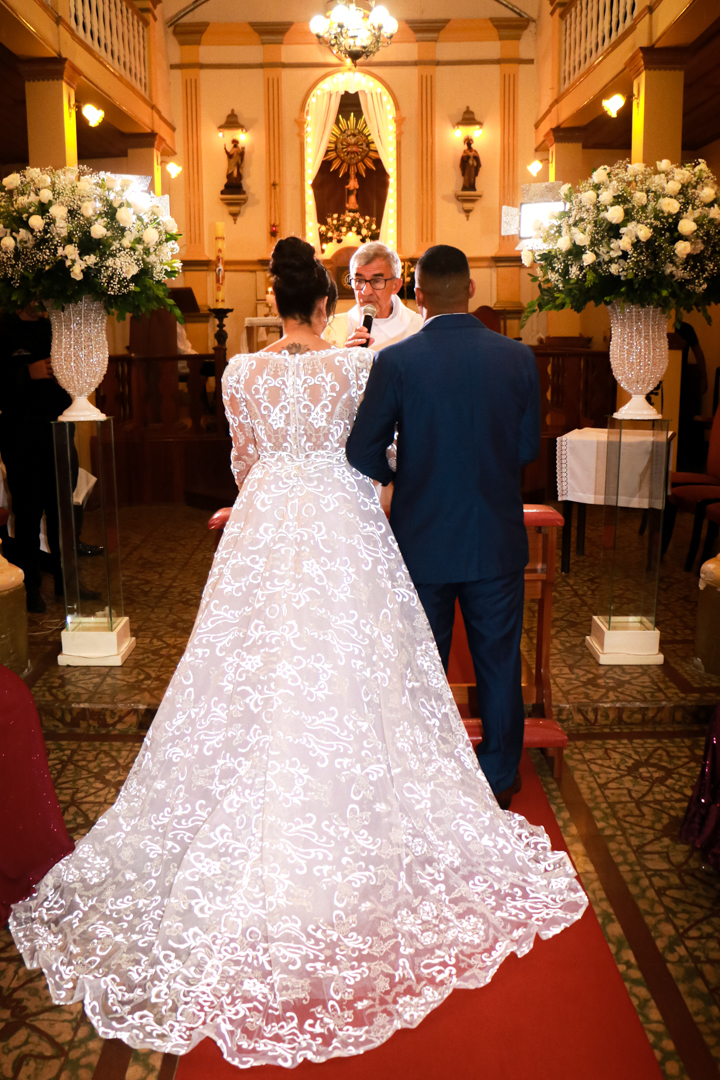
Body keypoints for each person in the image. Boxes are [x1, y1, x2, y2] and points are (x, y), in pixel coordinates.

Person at [10, 237, 585, 1070]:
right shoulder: (356, 368)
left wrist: (283, 486)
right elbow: (370, 460)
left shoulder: (240, 375)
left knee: (246, 673)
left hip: (265, 532)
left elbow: (244, 465)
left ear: (277, 303)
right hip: (341, 531)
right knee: (359, 675)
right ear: (329, 302)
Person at [346, 245, 541, 809]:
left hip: (423, 538)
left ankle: (428, 777)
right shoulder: (516, 358)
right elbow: (527, 447)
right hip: (495, 540)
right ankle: (500, 778)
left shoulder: (400, 361)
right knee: (499, 665)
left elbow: (362, 450)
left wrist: (405, 475)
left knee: (423, 666)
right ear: (473, 290)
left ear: (418, 295)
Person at [322, 240, 422, 350]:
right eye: (359, 280)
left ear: (396, 285)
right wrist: (346, 358)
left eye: (377, 281)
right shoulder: (331, 331)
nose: (366, 291)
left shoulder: (418, 328)